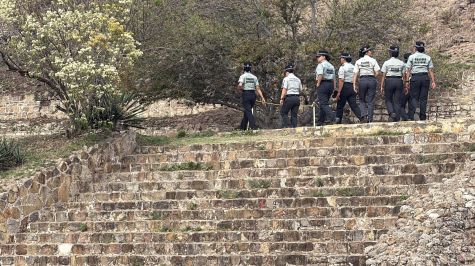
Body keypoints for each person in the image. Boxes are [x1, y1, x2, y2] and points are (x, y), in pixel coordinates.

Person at [405, 41, 436, 121]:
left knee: (414, 97)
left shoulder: (411, 57)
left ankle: (416, 109)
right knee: (423, 98)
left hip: (415, 78)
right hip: (425, 78)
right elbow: (431, 70)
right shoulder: (428, 57)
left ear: (416, 48)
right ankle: (422, 116)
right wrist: (433, 81)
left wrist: (407, 82)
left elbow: (408, 70)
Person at [335, 52, 365, 124]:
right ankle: (362, 118)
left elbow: (341, 80)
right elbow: (356, 77)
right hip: (352, 86)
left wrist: (339, 92)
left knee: (340, 105)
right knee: (354, 105)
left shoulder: (342, 68)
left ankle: (338, 120)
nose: (340, 59)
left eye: (341, 58)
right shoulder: (353, 67)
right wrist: (355, 86)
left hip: (344, 87)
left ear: (344, 59)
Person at [353, 45, 380, 123]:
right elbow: (377, 72)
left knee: (361, 99)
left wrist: (354, 84)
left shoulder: (358, 61)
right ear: (367, 52)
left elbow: (355, 73)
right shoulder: (373, 60)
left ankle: (363, 116)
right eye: (370, 51)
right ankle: (370, 118)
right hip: (371, 79)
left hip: (362, 80)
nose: (371, 52)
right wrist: (372, 77)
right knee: (371, 100)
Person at [237, 62, 266, 130]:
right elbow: (258, 88)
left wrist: (241, 89)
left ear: (244, 68)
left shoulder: (243, 76)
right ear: (250, 69)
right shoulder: (254, 77)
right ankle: (242, 128)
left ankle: (254, 127)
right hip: (253, 95)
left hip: (246, 94)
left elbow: (240, 85)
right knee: (247, 111)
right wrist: (262, 98)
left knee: (248, 111)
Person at [380, 45, 405, 122]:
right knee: (397, 100)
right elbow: (404, 75)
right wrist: (404, 84)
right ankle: (397, 118)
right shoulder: (401, 63)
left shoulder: (387, 63)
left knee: (388, 99)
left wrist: (381, 85)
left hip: (389, 81)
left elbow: (383, 75)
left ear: (390, 53)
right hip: (398, 81)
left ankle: (391, 113)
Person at [315, 50, 336, 126]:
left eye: (319, 56)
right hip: (330, 84)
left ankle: (334, 117)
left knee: (323, 104)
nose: (317, 58)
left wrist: (318, 83)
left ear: (324, 57)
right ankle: (320, 121)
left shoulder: (321, 65)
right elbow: (334, 78)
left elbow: (320, 75)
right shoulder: (331, 66)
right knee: (323, 103)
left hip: (323, 84)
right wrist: (334, 87)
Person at [279, 63, 303, 128]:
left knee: (283, 112)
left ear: (286, 72)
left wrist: (281, 98)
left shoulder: (286, 79)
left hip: (289, 98)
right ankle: (294, 128)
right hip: (297, 98)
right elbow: (301, 90)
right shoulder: (298, 79)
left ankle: (289, 127)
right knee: (294, 115)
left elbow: (284, 89)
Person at [400, 52, 412, 121]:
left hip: (404, 85)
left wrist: (405, 85)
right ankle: (409, 117)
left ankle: (405, 117)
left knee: (402, 104)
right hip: (412, 85)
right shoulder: (412, 66)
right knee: (411, 103)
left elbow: (403, 76)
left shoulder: (403, 65)